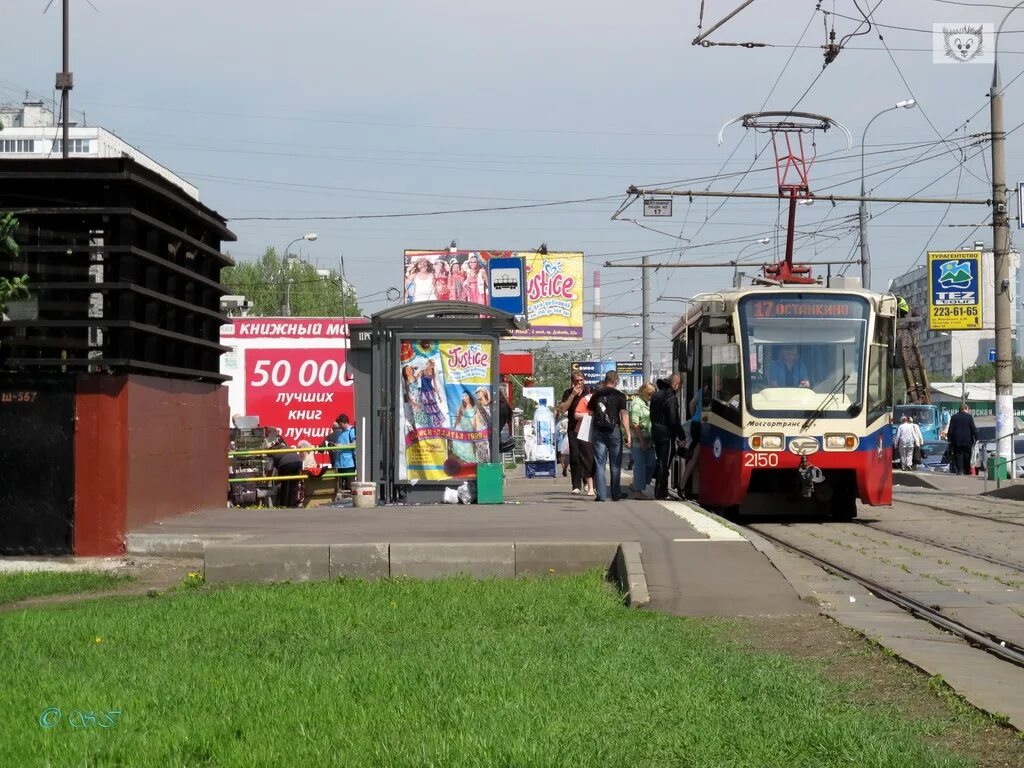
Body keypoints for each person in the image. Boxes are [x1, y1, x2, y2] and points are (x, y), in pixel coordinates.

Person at [587, 371, 631, 502]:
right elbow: (624, 416)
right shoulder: (620, 396)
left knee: (600, 463)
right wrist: (628, 434)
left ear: (605, 380)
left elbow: (590, 411)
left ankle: (601, 495)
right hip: (614, 431)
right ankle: (615, 494)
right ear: (616, 381)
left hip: (598, 431)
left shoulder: (597, 394)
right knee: (615, 464)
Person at [558, 373, 594, 495]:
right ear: (572, 382)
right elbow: (563, 409)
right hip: (573, 428)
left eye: (581, 380)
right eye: (576, 380)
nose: (579, 383)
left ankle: (587, 482)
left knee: (587, 455)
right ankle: (576, 485)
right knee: (575, 455)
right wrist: (573, 395)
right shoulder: (568, 393)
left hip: (586, 427)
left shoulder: (588, 392)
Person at [650, 374, 683, 500]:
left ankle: (660, 491)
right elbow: (673, 419)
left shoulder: (656, 395)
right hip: (667, 435)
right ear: (676, 385)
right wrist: (681, 436)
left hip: (656, 432)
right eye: (680, 386)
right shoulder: (671, 398)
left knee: (660, 461)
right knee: (664, 463)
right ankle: (661, 492)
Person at [628, 383, 657, 499]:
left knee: (651, 463)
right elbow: (635, 424)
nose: (651, 396)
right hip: (638, 440)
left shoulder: (644, 402)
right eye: (650, 393)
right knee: (640, 465)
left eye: (653, 394)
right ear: (644, 392)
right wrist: (641, 441)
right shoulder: (636, 403)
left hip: (648, 440)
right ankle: (638, 491)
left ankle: (637, 484)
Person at [325, 415, 357, 496]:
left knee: (349, 487)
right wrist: (334, 447)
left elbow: (355, 444)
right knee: (339, 487)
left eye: (340, 424)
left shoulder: (351, 431)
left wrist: (342, 446)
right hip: (338, 464)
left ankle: (350, 501)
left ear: (344, 422)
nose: (340, 426)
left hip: (349, 464)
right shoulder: (339, 433)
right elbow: (339, 446)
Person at [270, 437, 304, 507]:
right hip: (298, 461)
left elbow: (270, 470)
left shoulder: (273, 454)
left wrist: (267, 480)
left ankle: (283, 504)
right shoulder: (287, 447)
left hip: (285, 463)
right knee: (294, 485)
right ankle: (292, 504)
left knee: (285, 486)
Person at [946, 404, 979, 475]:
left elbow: (950, 430)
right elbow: (973, 429)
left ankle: (960, 470)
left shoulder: (954, 417)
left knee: (958, 455)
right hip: (968, 441)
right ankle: (966, 470)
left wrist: (949, 440)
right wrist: (977, 438)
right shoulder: (969, 417)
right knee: (967, 455)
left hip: (956, 441)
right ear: (965, 409)